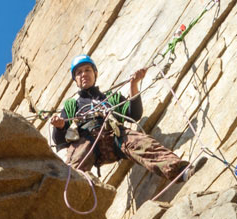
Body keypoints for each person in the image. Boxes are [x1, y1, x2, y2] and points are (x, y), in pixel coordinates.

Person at [50, 55, 188, 182]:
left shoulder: (112, 98)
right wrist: (59, 126)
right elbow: (59, 140)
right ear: (75, 80)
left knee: (144, 143)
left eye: (87, 70)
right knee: (73, 167)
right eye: (79, 73)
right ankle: (69, 198)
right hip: (87, 141)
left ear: (95, 74)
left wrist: (133, 85)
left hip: (116, 136)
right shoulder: (72, 105)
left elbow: (134, 114)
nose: (84, 74)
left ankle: (182, 171)